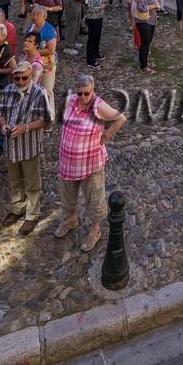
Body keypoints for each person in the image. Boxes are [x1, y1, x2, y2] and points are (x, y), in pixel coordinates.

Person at [55, 74, 125, 251]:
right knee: (68, 194)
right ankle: (71, 219)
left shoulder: (98, 106)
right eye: (80, 93)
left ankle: (95, 230)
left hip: (90, 163)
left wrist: (106, 136)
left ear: (92, 91)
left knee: (94, 197)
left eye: (87, 93)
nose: (83, 97)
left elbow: (120, 118)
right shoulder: (69, 101)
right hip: (68, 162)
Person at [0, 59, 52, 234]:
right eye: (17, 79)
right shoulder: (7, 91)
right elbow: (0, 113)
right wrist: (3, 124)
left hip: (29, 146)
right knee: (14, 180)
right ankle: (18, 208)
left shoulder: (40, 94)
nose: (20, 82)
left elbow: (47, 120)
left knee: (32, 181)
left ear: (31, 77)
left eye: (24, 78)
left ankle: (32, 215)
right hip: (11, 146)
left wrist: (24, 127)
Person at [22, 6, 59, 99]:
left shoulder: (49, 29)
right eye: (34, 15)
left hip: (47, 66)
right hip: (32, 65)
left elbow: (51, 50)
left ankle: (50, 112)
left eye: (38, 15)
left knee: (47, 92)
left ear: (44, 17)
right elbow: (26, 43)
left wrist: (34, 51)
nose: (35, 17)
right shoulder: (30, 28)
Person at [131, 0, 160, 74]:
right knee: (144, 42)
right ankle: (143, 66)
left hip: (151, 19)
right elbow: (141, 7)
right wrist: (154, 6)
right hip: (143, 21)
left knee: (148, 42)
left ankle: (145, 61)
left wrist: (156, 6)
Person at [83, 0, 107, 69]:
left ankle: (96, 53)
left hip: (98, 17)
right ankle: (90, 59)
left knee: (97, 37)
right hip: (93, 18)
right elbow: (91, 7)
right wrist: (101, 6)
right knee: (92, 38)